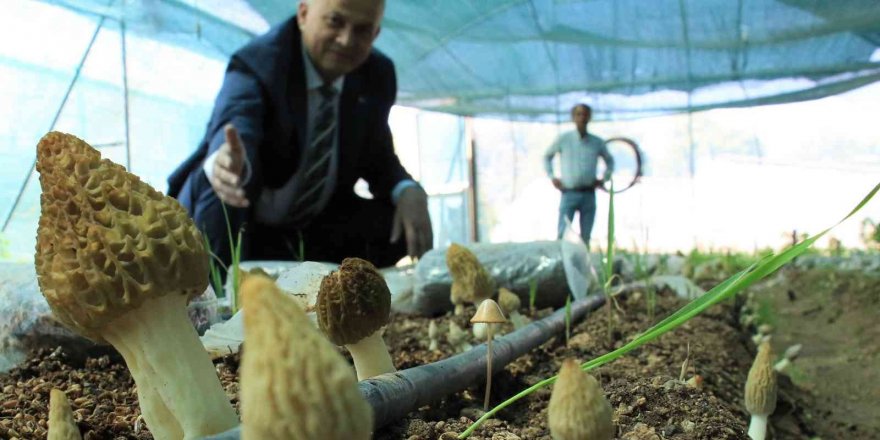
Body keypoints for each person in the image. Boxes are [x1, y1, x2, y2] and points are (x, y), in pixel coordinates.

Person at [167, 0, 433, 270]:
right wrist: (229, 160)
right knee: (224, 183)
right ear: (303, 14)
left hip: (313, 230)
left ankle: (343, 297)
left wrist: (407, 190)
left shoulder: (376, 74)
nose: (345, 40)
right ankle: (214, 297)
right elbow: (238, 120)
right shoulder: (260, 62)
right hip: (247, 228)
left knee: (394, 218)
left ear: (376, 34)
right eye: (335, 22)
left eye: (363, 30)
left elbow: (379, 159)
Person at [543, 104, 614, 246]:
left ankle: (583, 266)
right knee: (562, 234)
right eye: (578, 114)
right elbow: (547, 156)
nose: (582, 118)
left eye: (585, 114)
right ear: (573, 117)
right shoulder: (564, 139)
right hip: (569, 192)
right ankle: (561, 265)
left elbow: (610, 161)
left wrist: (603, 179)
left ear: (589, 117)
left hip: (588, 193)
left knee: (585, 236)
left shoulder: (596, 142)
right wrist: (552, 177)